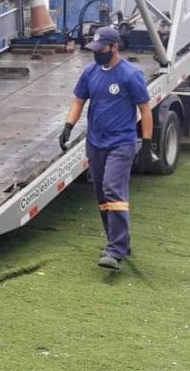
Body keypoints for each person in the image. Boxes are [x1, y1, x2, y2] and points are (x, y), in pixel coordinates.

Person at [58, 27, 153, 271]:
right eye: (95, 49)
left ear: (114, 47)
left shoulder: (130, 74)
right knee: (101, 194)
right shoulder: (90, 72)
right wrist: (68, 126)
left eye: (101, 49)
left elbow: (145, 109)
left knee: (112, 188)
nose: (96, 53)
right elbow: (79, 100)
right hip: (95, 142)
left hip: (121, 143)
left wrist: (146, 143)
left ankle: (116, 250)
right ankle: (118, 242)